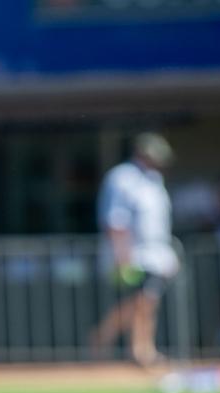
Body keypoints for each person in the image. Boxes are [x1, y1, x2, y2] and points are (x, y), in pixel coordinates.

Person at [89, 132, 179, 368]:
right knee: (141, 301)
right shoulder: (123, 178)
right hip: (133, 253)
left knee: (147, 301)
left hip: (155, 253)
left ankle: (131, 346)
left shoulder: (154, 180)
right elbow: (116, 220)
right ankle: (137, 349)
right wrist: (122, 255)